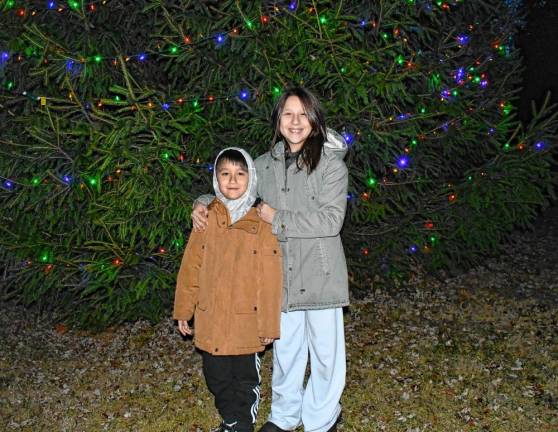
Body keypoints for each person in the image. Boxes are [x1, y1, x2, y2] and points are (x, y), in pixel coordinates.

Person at [192, 87, 349, 432]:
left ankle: (322, 418)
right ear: (278, 121)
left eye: (303, 114)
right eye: (288, 114)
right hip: (281, 276)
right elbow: (234, 186)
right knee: (287, 352)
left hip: (321, 273)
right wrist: (202, 201)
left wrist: (277, 218)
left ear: (314, 120)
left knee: (325, 355)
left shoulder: (331, 165)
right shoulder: (265, 165)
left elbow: (331, 221)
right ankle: (284, 416)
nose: (295, 122)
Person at [174, 147, 283, 432]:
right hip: (212, 320)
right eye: (225, 174)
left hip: (248, 321)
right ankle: (230, 419)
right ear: (216, 179)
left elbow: (270, 278)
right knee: (217, 377)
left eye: (240, 174)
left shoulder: (261, 224)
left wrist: (269, 323)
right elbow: (191, 268)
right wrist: (184, 310)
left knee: (245, 379)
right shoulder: (206, 218)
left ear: (251, 178)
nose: (232, 181)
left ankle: (242, 424)